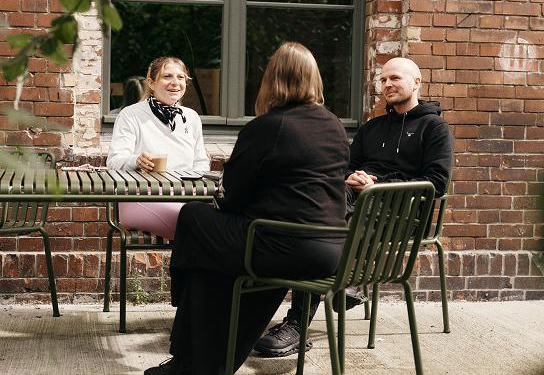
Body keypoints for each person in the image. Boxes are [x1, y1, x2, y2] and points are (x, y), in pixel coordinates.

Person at [144, 42, 350, 375]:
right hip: (329, 249)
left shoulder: (269, 127)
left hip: (282, 246)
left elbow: (232, 197)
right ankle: (199, 363)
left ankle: (187, 349)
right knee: (216, 262)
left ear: (272, 79)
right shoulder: (334, 126)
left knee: (193, 218)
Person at [255, 56, 454, 357]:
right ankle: (349, 277)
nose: (387, 84)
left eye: (395, 78)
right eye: (384, 80)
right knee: (319, 211)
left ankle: (300, 322)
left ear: (416, 82)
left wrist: (377, 185)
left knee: (327, 227)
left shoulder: (434, 128)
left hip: (402, 214)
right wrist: (352, 177)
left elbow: (436, 183)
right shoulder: (373, 127)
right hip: (354, 206)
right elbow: (342, 167)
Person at [107, 57, 209, 239]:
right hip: (139, 197)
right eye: (167, 76)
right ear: (151, 83)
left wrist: (193, 188)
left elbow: (201, 164)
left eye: (181, 77)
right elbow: (114, 162)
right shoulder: (131, 115)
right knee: (200, 222)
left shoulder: (191, 117)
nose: (175, 83)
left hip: (182, 197)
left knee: (212, 219)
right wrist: (136, 160)